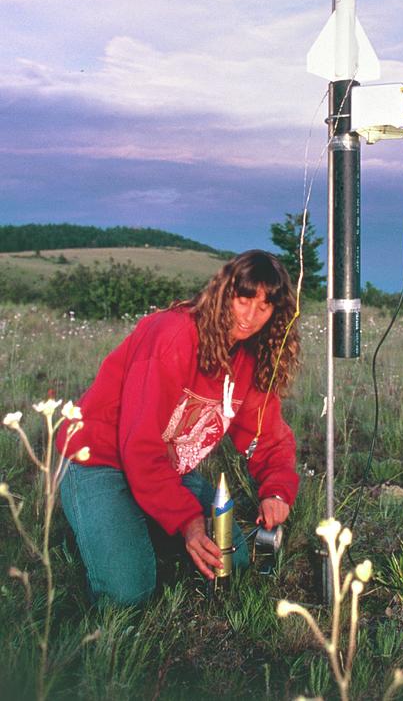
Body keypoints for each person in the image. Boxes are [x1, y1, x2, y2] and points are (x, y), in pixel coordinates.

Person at [57, 249, 300, 605]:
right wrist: (187, 520)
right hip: (99, 459)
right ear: (224, 293)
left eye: (264, 307)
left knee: (235, 559)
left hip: (162, 468)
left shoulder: (252, 355)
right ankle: (102, 524)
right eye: (244, 300)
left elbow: (267, 434)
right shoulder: (174, 335)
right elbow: (138, 446)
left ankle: (138, 521)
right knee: (129, 593)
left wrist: (276, 490)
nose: (250, 317)